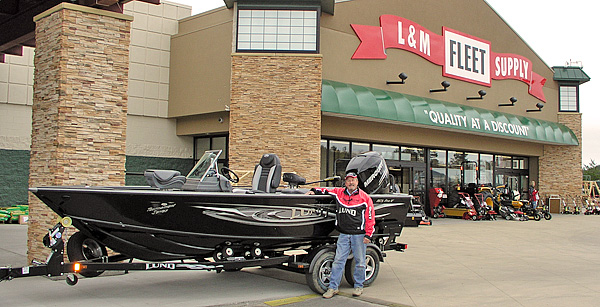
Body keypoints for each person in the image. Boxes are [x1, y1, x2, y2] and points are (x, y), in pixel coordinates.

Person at [306, 171, 375, 299]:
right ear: (345, 182)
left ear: (357, 182)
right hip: (343, 235)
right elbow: (325, 190)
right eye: (348, 180)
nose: (351, 183)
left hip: (359, 235)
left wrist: (368, 235)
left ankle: (359, 286)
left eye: (353, 180)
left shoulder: (365, 198)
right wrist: (313, 190)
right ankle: (333, 287)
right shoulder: (339, 193)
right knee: (338, 261)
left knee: (360, 262)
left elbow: (370, 217)